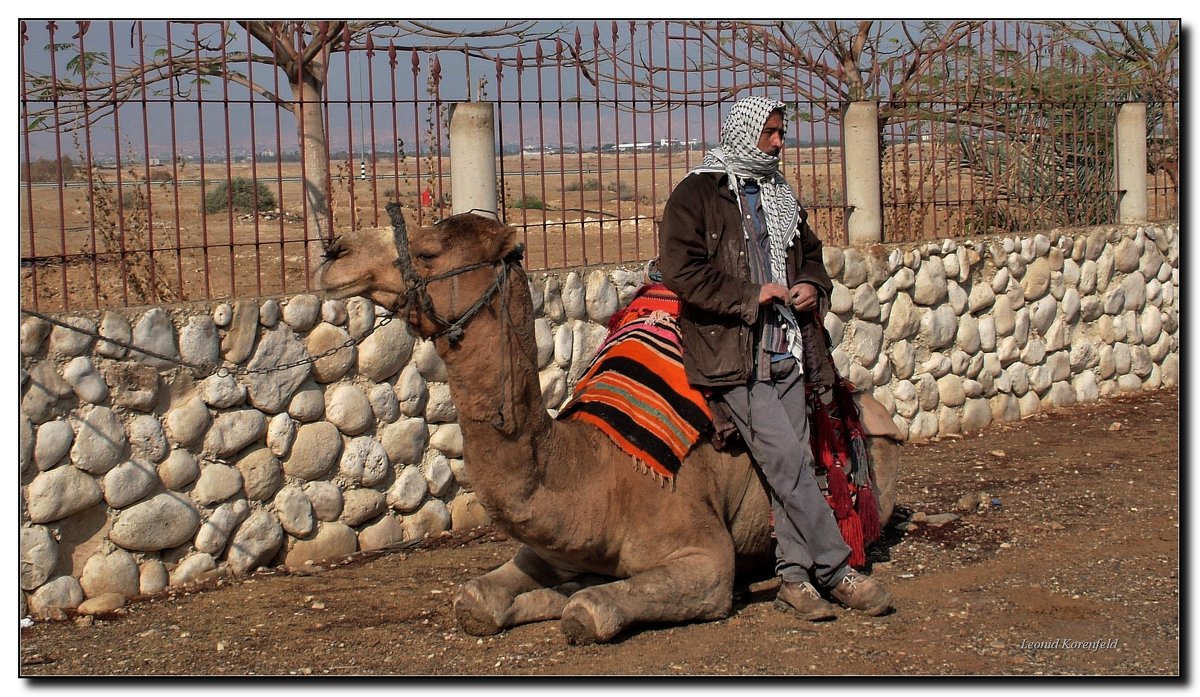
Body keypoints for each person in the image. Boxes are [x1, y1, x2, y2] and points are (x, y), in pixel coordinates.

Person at [656, 95, 893, 620]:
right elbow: (680, 270)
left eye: (781, 133)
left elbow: (808, 253)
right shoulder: (698, 193)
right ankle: (835, 570)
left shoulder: (778, 192)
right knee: (786, 461)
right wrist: (748, 295)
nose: (780, 143)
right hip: (731, 352)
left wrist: (809, 282)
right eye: (771, 133)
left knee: (797, 464)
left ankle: (793, 579)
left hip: (786, 346)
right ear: (744, 132)